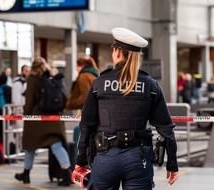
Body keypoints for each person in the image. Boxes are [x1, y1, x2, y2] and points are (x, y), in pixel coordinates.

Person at [75, 27, 179, 189]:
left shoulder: (99, 83)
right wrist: (172, 163)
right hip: (138, 160)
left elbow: (86, 125)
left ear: (117, 51)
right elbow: (166, 128)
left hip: (105, 158)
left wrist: (81, 160)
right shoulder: (150, 85)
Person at [14, 57, 72, 186]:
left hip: (37, 118)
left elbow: (29, 101)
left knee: (30, 145)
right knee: (57, 145)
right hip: (54, 117)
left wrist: (26, 115)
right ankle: (67, 173)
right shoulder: (52, 77)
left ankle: (26, 174)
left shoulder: (32, 79)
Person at [0, 73, 12, 144]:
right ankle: (5, 141)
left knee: (0, 126)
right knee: (5, 126)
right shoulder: (9, 88)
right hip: (6, 110)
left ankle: (1, 140)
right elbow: (11, 100)